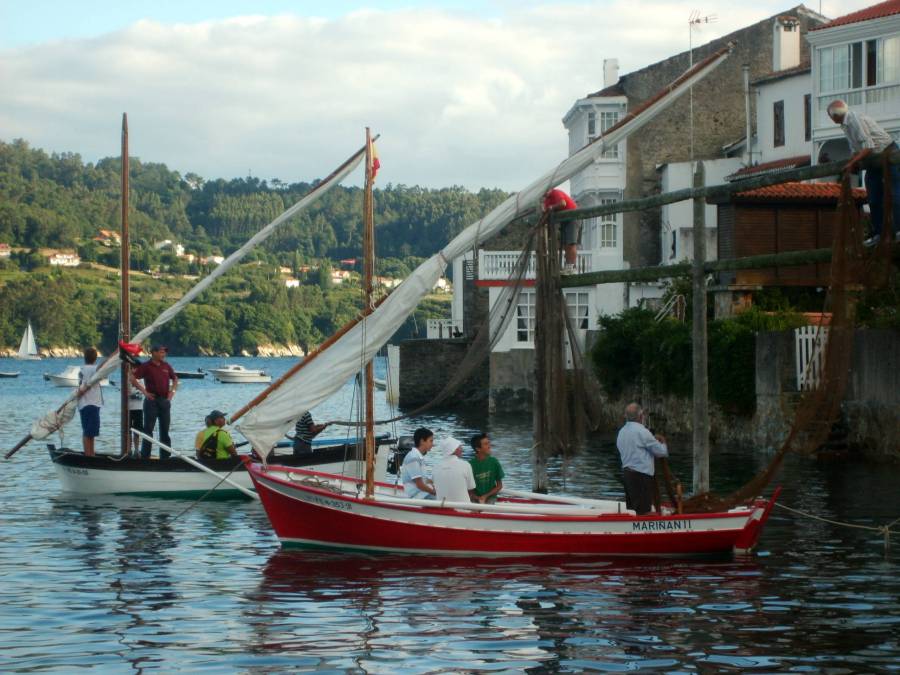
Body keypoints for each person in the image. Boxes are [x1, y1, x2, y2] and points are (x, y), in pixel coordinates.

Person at [826, 99, 900, 247]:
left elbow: (868, 146)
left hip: (888, 154)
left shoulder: (854, 121)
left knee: (895, 194)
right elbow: (856, 149)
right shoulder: (845, 125)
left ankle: (898, 231)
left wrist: (852, 163)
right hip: (873, 159)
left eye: (830, 115)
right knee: (874, 198)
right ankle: (879, 234)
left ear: (834, 116)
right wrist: (852, 161)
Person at [616, 402, 668, 516]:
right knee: (645, 513)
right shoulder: (642, 432)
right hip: (641, 477)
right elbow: (661, 452)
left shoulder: (621, 432)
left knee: (634, 511)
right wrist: (663, 441)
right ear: (640, 416)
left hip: (627, 475)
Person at [130, 344, 178, 459]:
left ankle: (165, 457)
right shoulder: (146, 366)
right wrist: (144, 392)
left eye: (164, 352)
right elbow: (132, 378)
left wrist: (172, 392)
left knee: (165, 430)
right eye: (161, 352)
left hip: (164, 401)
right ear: (154, 353)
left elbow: (175, 378)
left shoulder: (166, 365)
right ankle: (145, 456)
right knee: (148, 430)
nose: (164, 354)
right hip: (151, 401)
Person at [542, 187, 580, 275]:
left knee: (571, 243)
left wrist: (552, 207)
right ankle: (568, 267)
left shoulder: (555, 192)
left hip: (573, 216)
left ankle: (573, 268)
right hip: (564, 220)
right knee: (566, 245)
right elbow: (546, 213)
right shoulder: (546, 201)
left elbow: (563, 203)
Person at [432, 437, 476, 503]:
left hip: (442, 506)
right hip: (462, 507)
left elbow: (435, 488)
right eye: (460, 447)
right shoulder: (465, 465)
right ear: (455, 449)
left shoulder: (435, 467)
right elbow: (471, 488)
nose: (462, 449)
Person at [77, 347, 103, 457]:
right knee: (89, 433)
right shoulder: (93, 369)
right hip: (91, 403)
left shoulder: (82, 369)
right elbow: (104, 367)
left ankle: (90, 454)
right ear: (95, 358)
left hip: (83, 404)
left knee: (88, 432)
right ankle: (89, 455)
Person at [400, 427, 436, 499]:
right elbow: (420, 485)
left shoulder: (417, 456)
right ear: (422, 441)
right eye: (431, 441)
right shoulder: (413, 458)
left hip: (421, 493)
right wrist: (434, 492)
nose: (433, 444)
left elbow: (423, 479)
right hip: (417, 496)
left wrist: (435, 483)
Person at [469, 433, 504, 504]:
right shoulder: (469, 465)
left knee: (487, 507)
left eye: (489, 443)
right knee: (475, 508)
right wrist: (477, 498)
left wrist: (485, 496)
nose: (489, 446)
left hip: (490, 497)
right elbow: (469, 490)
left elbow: (499, 486)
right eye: (486, 444)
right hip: (475, 498)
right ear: (478, 449)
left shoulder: (494, 462)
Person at [127, 388, 144, 457]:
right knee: (128, 431)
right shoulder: (127, 382)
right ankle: (128, 450)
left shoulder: (141, 382)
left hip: (139, 408)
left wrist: (133, 395)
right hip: (127, 408)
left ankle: (136, 450)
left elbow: (140, 395)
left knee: (137, 431)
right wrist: (134, 394)